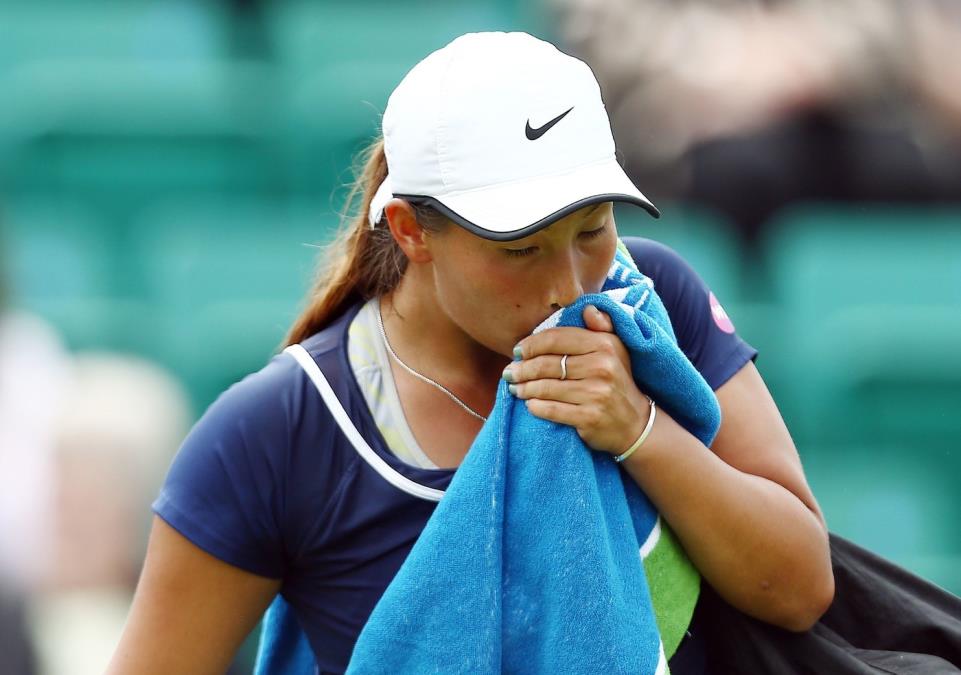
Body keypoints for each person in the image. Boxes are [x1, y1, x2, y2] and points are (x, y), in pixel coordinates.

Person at [107, 32, 834, 674]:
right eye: (520, 248)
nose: (567, 285)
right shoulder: (274, 432)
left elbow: (800, 587)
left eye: (592, 228)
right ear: (411, 230)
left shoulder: (655, 303)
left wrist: (642, 430)